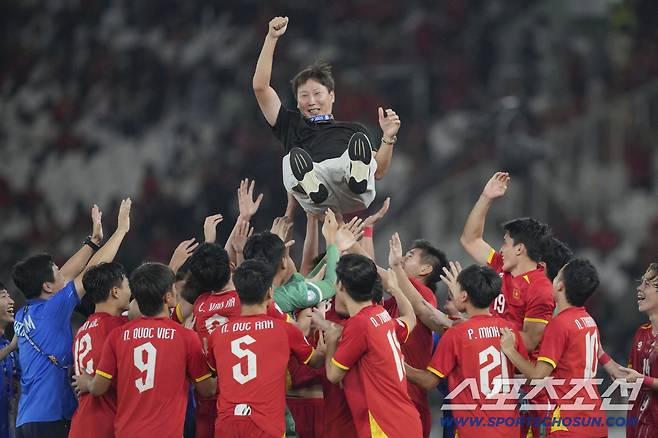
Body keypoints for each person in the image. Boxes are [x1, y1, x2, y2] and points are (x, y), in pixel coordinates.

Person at [253, 16, 400, 215]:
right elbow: (260, 87)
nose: (311, 101)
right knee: (290, 161)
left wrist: (388, 137)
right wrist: (271, 38)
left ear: (332, 96)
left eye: (317, 94)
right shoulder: (289, 124)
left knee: (356, 148)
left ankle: (353, 176)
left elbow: (379, 172)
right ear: (297, 101)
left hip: (351, 187)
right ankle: (313, 184)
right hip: (317, 194)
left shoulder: (353, 130)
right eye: (304, 96)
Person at [11, 199, 131, 438]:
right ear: (47, 287)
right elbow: (91, 273)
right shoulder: (52, 309)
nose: (62, 272)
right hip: (52, 417)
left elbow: (66, 275)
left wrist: (93, 241)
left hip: (25, 420)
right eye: (56, 271)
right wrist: (120, 231)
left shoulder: (23, 314)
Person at [73, 263, 215, 438]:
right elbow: (208, 390)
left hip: (110, 428)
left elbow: (98, 387)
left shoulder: (111, 334)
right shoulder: (185, 337)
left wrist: (88, 383)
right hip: (143, 430)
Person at [405, 263, 527, 438]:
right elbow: (521, 373)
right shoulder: (509, 329)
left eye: (456, 289)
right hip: (510, 430)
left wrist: (396, 361)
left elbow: (428, 381)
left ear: (463, 296)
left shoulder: (456, 335)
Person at [207, 259, 324, 437]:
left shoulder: (217, 334)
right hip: (267, 427)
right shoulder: (285, 330)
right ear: (270, 292)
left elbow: (211, 376)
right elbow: (315, 361)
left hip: (227, 425)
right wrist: (325, 347)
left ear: (237, 293)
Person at [500, 259, 608, 437]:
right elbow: (565, 372)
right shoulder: (589, 320)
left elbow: (538, 375)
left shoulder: (559, 324)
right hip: (595, 421)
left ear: (560, 286)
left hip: (568, 425)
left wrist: (510, 350)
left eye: (556, 276)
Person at [324, 254, 422, 437]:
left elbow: (333, 375)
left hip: (385, 427)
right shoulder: (381, 314)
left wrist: (331, 341)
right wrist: (395, 289)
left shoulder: (359, 324)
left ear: (340, 286)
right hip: (407, 422)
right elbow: (411, 318)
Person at [460, 172, 554, 353]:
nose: (501, 249)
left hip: (514, 368)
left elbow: (529, 342)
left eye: (505, 243)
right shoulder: (500, 265)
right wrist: (486, 198)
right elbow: (470, 240)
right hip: (489, 357)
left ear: (519, 249)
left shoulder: (540, 289)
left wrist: (484, 326)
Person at [386, 233, 448, 438]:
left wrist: (351, 245)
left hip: (410, 401)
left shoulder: (425, 296)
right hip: (391, 397)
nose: (403, 256)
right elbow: (368, 277)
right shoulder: (395, 300)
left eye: (410, 255)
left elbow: (377, 274)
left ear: (425, 269)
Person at [68, 263, 131, 438]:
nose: (131, 292)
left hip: (81, 425)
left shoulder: (81, 331)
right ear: (115, 292)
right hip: (106, 425)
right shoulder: (118, 327)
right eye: (128, 286)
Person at [623, 262, 658, 438]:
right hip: (640, 427)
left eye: (647, 284)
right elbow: (633, 386)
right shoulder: (641, 333)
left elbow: (640, 379)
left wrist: (643, 379)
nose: (639, 288)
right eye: (641, 282)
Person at [0, 284, 17, 438]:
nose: (11, 301)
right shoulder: (10, 347)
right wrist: (11, 347)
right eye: (4, 296)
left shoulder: (8, 346)